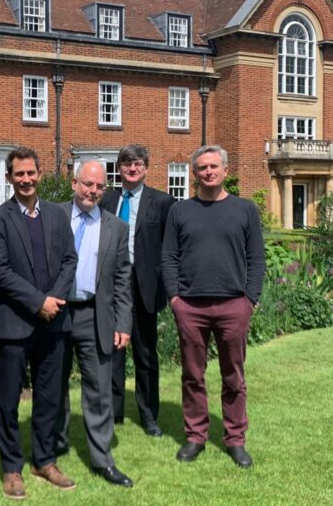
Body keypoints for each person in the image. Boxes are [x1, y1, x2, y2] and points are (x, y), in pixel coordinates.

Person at [161, 145, 266, 468]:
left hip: (233, 305)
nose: (208, 172)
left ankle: (235, 439)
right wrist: (175, 299)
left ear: (225, 170)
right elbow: (169, 257)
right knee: (193, 375)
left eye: (213, 167)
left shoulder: (244, 210)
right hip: (190, 306)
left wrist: (250, 299)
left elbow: (256, 258)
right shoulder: (180, 211)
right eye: (202, 168)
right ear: (195, 173)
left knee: (233, 376)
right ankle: (195, 435)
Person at [0, 147, 78, 499]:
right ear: (9, 177)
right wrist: (38, 302)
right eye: (18, 174)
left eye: (31, 173)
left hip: (55, 321)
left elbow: (70, 260)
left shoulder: (57, 215)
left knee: (49, 396)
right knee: (9, 400)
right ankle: (11, 468)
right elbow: (1, 272)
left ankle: (44, 460)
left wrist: (53, 300)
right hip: (15, 322)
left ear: (40, 174)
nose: (25, 179)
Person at [54, 160, 134, 487]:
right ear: (74, 183)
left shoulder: (117, 227)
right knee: (53, 386)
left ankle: (102, 459)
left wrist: (123, 323)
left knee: (99, 389)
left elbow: (122, 280)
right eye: (88, 184)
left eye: (100, 187)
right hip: (56, 313)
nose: (93, 191)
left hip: (94, 314)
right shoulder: (53, 215)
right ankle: (52, 450)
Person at [100, 145, 176, 437]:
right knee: (113, 352)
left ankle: (149, 415)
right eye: (127, 164)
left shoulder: (162, 202)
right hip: (111, 284)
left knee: (145, 354)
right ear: (119, 168)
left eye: (138, 164)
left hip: (144, 285)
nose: (132, 169)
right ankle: (114, 414)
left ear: (146, 168)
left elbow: (170, 248)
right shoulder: (106, 199)